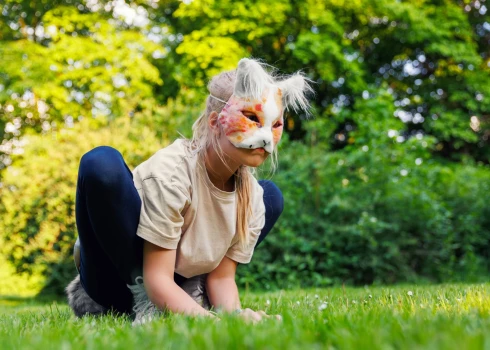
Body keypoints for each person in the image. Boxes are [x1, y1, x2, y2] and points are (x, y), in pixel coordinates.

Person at [66, 58, 312, 326]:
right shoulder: (173, 171)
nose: (265, 136)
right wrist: (210, 322)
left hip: (174, 279)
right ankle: (154, 302)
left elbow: (222, 278)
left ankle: (188, 293)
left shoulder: (250, 196)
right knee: (101, 163)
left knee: (270, 196)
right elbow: (157, 278)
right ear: (215, 122)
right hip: (115, 283)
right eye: (252, 118)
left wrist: (234, 318)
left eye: (275, 124)